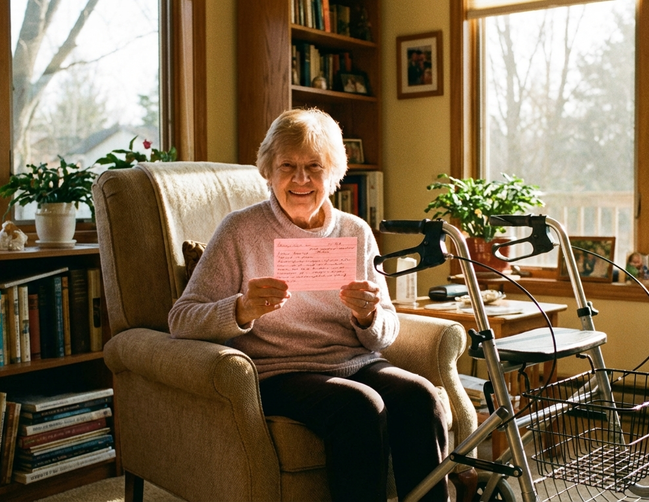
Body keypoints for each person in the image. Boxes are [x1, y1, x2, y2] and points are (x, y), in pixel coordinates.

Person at [168, 108, 449, 502]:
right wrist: (242, 310)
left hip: (356, 361)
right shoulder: (239, 229)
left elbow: (386, 329)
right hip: (279, 371)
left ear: (333, 175)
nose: (300, 179)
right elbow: (180, 319)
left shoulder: (355, 230)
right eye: (287, 166)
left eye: (314, 167)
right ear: (268, 170)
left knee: (420, 396)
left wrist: (368, 316)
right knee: (360, 407)